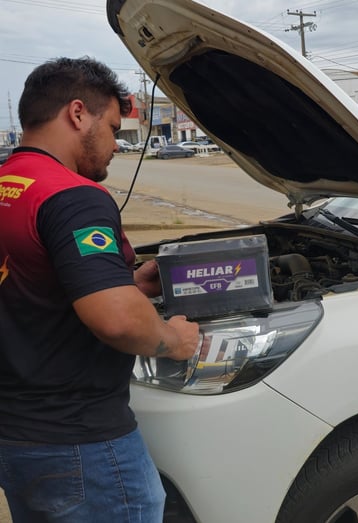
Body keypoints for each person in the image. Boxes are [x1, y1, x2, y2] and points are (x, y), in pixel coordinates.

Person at [0, 57, 200, 522]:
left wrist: (126, 282)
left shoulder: (11, 185)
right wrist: (174, 340)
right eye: (112, 127)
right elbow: (117, 319)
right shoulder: (72, 196)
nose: (115, 145)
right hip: (81, 444)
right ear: (76, 114)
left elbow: (32, 287)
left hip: (17, 435)